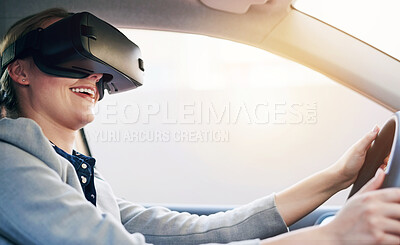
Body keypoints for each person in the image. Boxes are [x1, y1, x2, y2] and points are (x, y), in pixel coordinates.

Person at [0, 8, 399, 245]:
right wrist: (329, 236)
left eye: (101, 74)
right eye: (74, 62)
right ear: (19, 71)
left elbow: (203, 231)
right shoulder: (8, 166)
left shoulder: (83, 177)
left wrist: (337, 177)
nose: (93, 80)